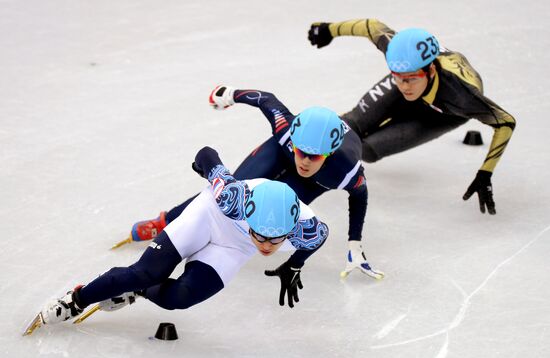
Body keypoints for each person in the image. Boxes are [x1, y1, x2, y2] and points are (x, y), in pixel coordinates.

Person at [37, 146, 329, 329]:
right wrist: (200, 165)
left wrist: (294, 265)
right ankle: (75, 299)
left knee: (180, 298)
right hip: (209, 216)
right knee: (146, 272)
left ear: (288, 231)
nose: (265, 246)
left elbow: (315, 242)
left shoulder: (308, 230)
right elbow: (207, 154)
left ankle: (136, 290)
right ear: (248, 216)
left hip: (234, 247)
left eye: (274, 241)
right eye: (260, 235)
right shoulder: (232, 198)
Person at [129, 85, 384, 279]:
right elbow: (266, 100)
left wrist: (354, 243)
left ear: (328, 154)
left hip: (316, 181)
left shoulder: (345, 170)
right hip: (279, 152)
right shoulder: (286, 131)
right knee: (232, 190)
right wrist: (229, 94)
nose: (304, 161)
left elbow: (359, 196)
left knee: (275, 208)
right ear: (294, 142)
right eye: (301, 151)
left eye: (313, 156)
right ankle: (165, 220)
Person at [307, 19, 516, 215]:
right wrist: (329, 29)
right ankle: (307, 148)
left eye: (410, 80)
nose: (405, 87)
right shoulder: (404, 61)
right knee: (350, 125)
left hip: (443, 113)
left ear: (431, 70)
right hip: (423, 82)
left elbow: (505, 122)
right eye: (398, 78)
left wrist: (485, 173)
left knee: (368, 150)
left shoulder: (462, 95)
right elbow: (371, 26)